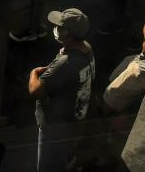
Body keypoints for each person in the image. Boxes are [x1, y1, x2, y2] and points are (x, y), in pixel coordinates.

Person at [30, 9, 95, 172]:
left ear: (68, 33)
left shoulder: (65, 63)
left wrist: (34, 72)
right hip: (76, 118)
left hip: (56, 128)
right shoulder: (87, 48)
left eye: (60, 27)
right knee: (65, 157)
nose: (56, 29)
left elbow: (35, 91)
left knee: (48, 166)